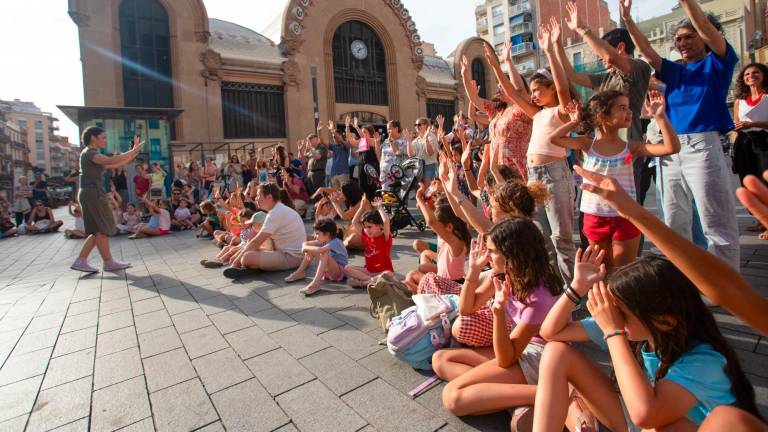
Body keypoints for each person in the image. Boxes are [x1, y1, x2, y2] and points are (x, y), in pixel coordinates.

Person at [533, 242, 760, 431]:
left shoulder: (704, 361)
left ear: (665, 321)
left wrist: (614, 333)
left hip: (662, 422)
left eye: (621, 313)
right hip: (640, 420)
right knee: (556, 352)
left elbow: (645, 415)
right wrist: (577, 287)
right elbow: (550, 332)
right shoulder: (639, 329)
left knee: (672, 427)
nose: (614, 318)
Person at [622, 0, 740, 269]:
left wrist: (687, 4)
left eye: (688, 37)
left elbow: (706, 27)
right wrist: (627, 20)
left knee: (715, 220)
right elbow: (647, 51)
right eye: (678, 39)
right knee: (674, 219)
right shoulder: (675, 71)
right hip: (670, 150)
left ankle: (725, 285)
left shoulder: (718, 64)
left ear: (705, 37)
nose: (682, 43)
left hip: (703, 146)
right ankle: (683, 277)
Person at [431, 217, 561, 416]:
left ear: (512, 254)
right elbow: (467, 309)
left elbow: (505, 360)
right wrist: (473, 272)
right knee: (440, 359)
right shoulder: (505, 274)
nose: (487, 256)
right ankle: (504, 395)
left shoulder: (539, 295)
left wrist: (499, 314)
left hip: (540, 357)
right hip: (517, 349)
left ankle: (551, 395)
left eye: (492, 251)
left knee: (453, 397)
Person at [480, 19, 577, 283]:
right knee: (541, 235)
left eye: (537, 90)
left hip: (555, 175)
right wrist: (498, 65)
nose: (533, 95)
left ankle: (573, 291)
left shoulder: (560, 111)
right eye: (531, 91)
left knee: (562, 239)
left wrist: (551, 49)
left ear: (550, 90)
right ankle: (552, 284)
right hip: (535, 177)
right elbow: (512, 91)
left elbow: (563, 87)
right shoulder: (536, 113)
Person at [548, 90, 680, 269]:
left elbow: (671, 147)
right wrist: (574, 122)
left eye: (629, 108)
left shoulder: (631, 147)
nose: (629, 112)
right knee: (602, 271)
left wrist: (660, 117)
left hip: (625, 215)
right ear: (603, 116)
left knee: (623, 272)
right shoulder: (587, 143)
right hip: (595, 216)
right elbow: (554, 138)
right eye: (622, 108)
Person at [558, 1, 653, 200]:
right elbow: (573, 75)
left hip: (627, 150)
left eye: (602, 50)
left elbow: (610, 57)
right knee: (602, 203)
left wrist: (582, 29)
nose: (600, 58)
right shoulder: (605, 77)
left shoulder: (638, 69)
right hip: (602, 149)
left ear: (620, 48)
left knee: (628, 205)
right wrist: (555, 47)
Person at [71, 128, 143, 272]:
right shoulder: (91, 153)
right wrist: (132, 150)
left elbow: (114, 164)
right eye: (103, 137)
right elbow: (111, 160)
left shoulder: (90, 155)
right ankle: (108, 262)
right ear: (93, 138)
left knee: (97, 230)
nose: (105, 140)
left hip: (90, 192)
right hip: (93, 193)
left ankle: (81, 260)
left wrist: (134, 152)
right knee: (102, 228)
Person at [469, 41, 533, 181]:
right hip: (498, 165)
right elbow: (476, 101)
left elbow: (519, 90)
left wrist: (507, 62)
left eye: (502, 86)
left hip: (516, 165)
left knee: (516, 200)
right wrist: (464, 76)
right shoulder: (499, 110)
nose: (498, 89)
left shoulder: (523, 106)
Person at [223, 182, 307, 279]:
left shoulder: (275, 213)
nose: (256, 198)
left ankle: (253, 267)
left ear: (269, 197)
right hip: (292, 255)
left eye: (259, 195)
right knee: (248, 252)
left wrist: (235, 262)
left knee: (246, 257)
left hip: (292, 257)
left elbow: (256, 242)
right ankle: (256, 266)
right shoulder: (279, 209)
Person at [404, 187, 470, 292]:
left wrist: (419, 200)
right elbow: (445, 213)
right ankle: (422, 292)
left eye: (439, 224)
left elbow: (431, 221)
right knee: (423, 259)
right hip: (445, 282)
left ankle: (423, 294)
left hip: (449, 286)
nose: (436, 228)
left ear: (449, 227)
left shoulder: (454, 241)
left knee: (410, 278)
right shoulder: (458, 232)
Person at [732, 63, 768, 239]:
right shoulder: (739, 100)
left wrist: (753, 124)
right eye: (747, 74)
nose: (751, 76)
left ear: (763, 75)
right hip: (745, 143)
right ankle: (760, 219)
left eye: (755, 73)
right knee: (748, 179)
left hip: (764, 142)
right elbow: (736, 122)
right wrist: (738, 127)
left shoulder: (767, 97)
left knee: (764, 180)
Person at [285, 218, 349, 296]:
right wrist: (306, 248)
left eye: (318, 233)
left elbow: (320, 250)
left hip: (339, 273)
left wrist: (306, 248)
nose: (315, 236)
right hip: (328, 273)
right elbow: (305, 243)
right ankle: (299, 272)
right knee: (314, 249)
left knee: (323, 253)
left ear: (327, 234)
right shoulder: (323, 241)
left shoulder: (335, 242)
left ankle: (315, 284)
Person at [343, 196, 393, 288]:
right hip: (369, 272)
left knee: (389, 274)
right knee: (347, 268)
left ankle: (363, 283)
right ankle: (371, 281)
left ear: (379, 226)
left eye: (369, 227)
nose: (366, 230)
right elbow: (354, 221)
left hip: (383, 272)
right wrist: (361, 208)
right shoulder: (365, 235)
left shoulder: (384, 237)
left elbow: (386, 221)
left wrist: (379, 207)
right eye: (365, 227)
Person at [346, 119, 380, 200]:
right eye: (362, 132)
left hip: (371, 169)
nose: (362, 134)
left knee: (372, 190)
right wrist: (347, 126)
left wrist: (357, 127)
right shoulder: (361, 141)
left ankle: (375, 209)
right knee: (362, 189)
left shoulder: (373, 140)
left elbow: (364, 138)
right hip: (362, 168)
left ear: (370, 133)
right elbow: (350, 140)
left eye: (365, 132)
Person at [407, 117, 438, 185]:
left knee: (428, 192)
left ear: (426, 125)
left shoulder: (431, 137)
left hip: (429, 166)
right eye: (415, 125)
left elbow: (430, 153)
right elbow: (410, 155)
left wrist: (426, 139)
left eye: (419, 124)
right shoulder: (416, 140)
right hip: (419, 168)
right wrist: (408, 141)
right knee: (421, 191)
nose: (417, 126)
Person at [376, 120, 406, 191]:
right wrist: (377, 143)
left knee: (395, 199)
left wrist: (392, 143)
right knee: (385, 196)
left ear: (396, 128)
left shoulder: (403, 141)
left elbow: (398, 153)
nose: (388, 131)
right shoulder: (386, 141)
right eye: (387, 129)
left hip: (395, 175)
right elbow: (379, 157)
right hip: (384, 174)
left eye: (389, 128)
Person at [326, 120, 350, 190]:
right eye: (333, 137)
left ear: (340, 136)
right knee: (336, 195)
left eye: (335, 136)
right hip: (334, 174)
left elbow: (340, 139)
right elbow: (322, 142)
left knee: (345, 193)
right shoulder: (333, 146)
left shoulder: (345, 144)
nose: (334, 138)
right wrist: (319, 130)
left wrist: (332, 130)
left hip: (343, 173)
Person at [305, 129, 328, 197]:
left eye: (311, 140)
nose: (309, 142)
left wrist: (311, 149)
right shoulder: (313, 149)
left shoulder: (321, 147)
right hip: (310, 173)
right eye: (309, 141)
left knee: (319, 193)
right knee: (313, 193)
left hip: (318, 173)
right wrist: (301, 149)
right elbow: (303, 157)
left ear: (316, 139)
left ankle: (324, 206)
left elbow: (318, 156)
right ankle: (316, 206)